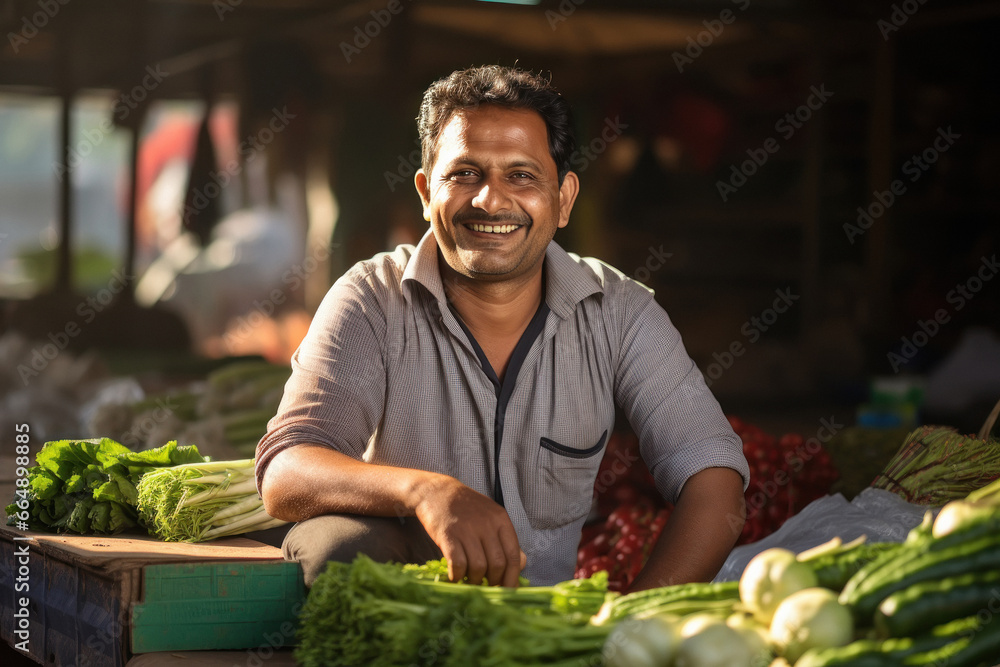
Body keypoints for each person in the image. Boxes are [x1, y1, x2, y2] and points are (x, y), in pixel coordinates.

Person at [255, 65, 750, 591]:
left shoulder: (620, 313)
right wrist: (426, 492)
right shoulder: (372, 299)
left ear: (563, 199)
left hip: (543, 633)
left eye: (521, 175)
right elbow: (287, 471)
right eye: (464, 173)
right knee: (339, 544)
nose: (490, 200)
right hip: (407, 617)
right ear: (426, 192)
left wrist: (628, 630)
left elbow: (714, 482)